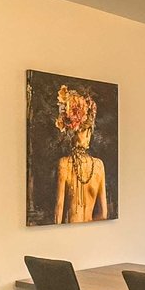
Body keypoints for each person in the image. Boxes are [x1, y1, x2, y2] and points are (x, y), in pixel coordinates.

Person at [53, 85, 108, 223]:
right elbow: (103, 214)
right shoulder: (99, 166)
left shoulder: (64, 164)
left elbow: (58, 212)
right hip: (91, 233)